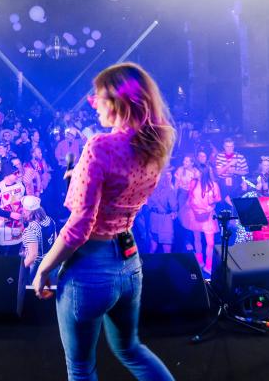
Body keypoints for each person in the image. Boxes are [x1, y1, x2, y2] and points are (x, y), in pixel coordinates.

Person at [32, 62, 176, 381]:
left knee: (81, 367)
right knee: (131, 349)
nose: (94, 104)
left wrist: (44, 268)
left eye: (98, 98)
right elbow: (121, 185)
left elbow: (81, 224)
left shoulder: (101, 146)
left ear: (118, 101)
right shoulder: (155, 144)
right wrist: (80, 176)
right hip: (129, 262)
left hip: (90, 267)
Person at [0, 161, 26, 256]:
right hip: (2, 227)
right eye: (15, 173)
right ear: (6, 175)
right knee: (0, 253)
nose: (18, 175)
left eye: (18, 172)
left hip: (17, 225)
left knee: (15, 250)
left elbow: (23, 200)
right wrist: (10, 214)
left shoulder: (20, 185)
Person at [21, 195, 57, 285]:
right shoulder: (50, 220)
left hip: (37, 267)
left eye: (23, 209)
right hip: (51, 263)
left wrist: (19, 268)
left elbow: (32, 256)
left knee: (35, 291)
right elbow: (55, 242)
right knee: (50, 291)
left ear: (27, 211)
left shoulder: (31, 230)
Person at [146, 166, 177, 254]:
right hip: (164, 220)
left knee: (153, 247)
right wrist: (174, 212)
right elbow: (174, 206)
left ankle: (150, 263)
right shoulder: (169, 189)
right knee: (166, 248)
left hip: (154, 218)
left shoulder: (151, 187)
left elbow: (148, 203)